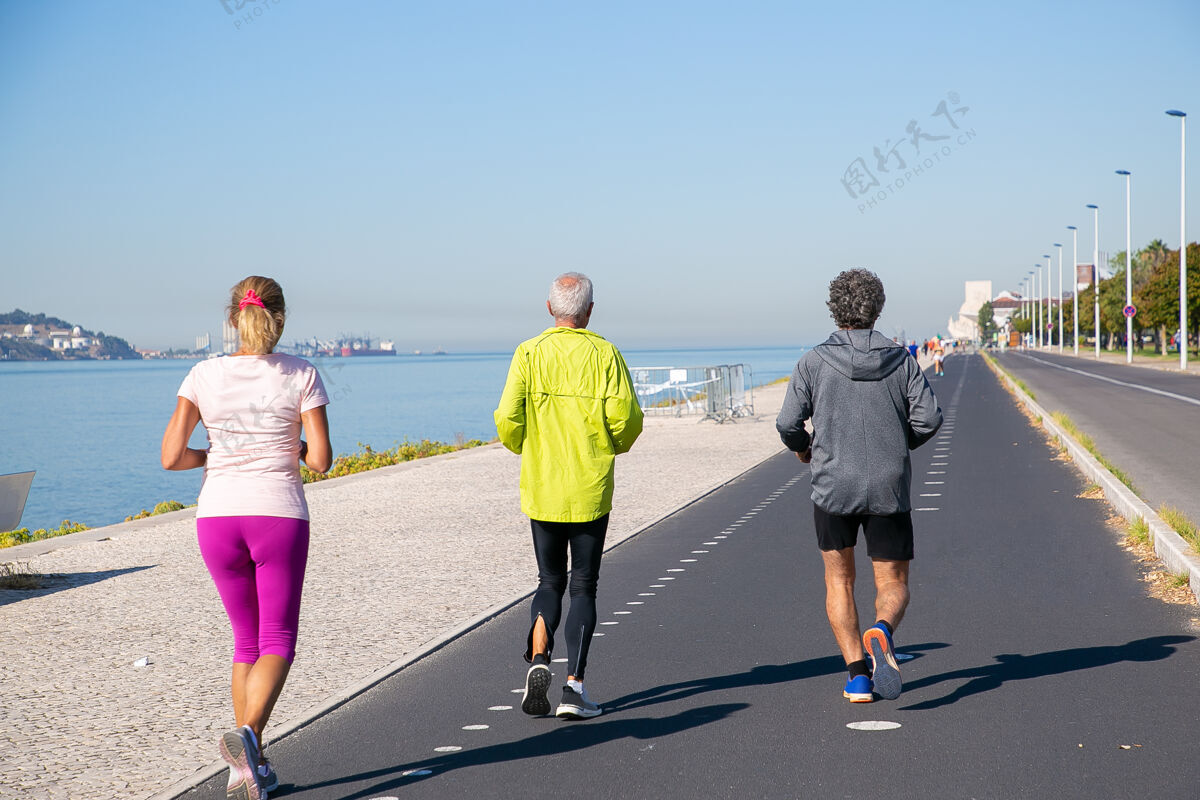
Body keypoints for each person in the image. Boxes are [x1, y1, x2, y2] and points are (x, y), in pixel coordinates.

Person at [162, 276, 332, 800]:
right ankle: (248, 738)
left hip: (217, 517)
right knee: (278, 639)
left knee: (247, 642)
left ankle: (247, 772)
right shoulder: (301, 374)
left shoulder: (202, 374)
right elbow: (322, 461)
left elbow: (171, 457)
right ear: (280, 318)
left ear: (233, 317)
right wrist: (295, 446)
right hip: (276, 515)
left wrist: (212, 456)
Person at [776, 269, 941, 703]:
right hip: (888, 486)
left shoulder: (812, 362)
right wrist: (898, 444)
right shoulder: (902, 359)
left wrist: (804, 448)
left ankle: (857, 676)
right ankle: (882, 631)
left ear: (834, 309)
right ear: (878, 308)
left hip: (833, 486)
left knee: (839, 581)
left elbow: (787, 423)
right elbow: (929, 418)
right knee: (893, 583)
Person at [494, 272, 643, 720]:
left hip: (543, 487)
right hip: (590, 486)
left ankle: (539, 656)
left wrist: (528, 446)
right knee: (583, 585)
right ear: (590, 310)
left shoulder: (528, 353)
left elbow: (507, 418)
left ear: (549, 308)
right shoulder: (606, 355)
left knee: (548, 582)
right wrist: (607, 446)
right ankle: (574, 689)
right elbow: (628, 419)